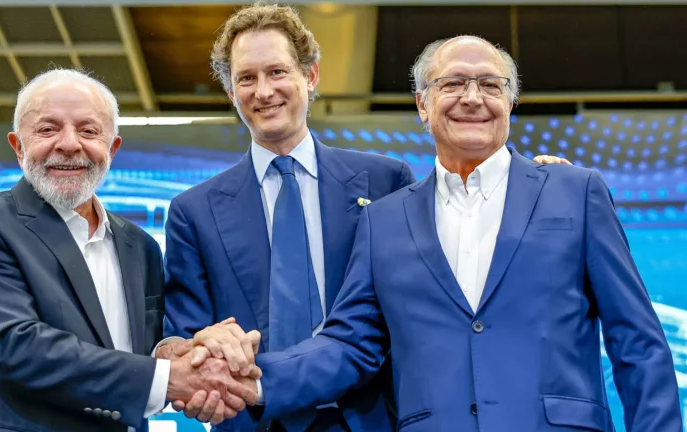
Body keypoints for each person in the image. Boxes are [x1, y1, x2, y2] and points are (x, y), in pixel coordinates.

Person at [209, 35, 682, 431]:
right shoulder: (384, 219)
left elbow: (638, 342)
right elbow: (350, 342)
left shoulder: (575, 191)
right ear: (422, 104)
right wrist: (253, 381)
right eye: (452, 83)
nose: (472, 97)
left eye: (490, 85)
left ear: (510, 102)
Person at [159, 4, 570, 431]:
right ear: (231, 91)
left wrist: (528, 185)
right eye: (246, 77)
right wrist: (200, 353)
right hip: (254, 418)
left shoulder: (385, 182)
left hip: (376, 418)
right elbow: (189, 339)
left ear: (310, 75)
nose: (264, 91)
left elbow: (456, 254)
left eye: (278, 72)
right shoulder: (194, 211)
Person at [0, 68, 256, 432]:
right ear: (18, 146)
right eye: (47, 129)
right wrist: (168, 378)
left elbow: (137, 353)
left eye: (88, 131)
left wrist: (181, 351)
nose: (69, 144)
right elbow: (14, 348)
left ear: (112, 148)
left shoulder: (140, 246)